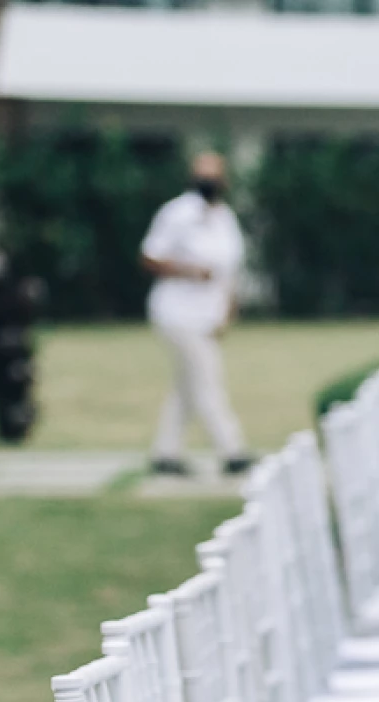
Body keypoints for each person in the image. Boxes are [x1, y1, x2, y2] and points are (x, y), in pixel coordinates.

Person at [140, 151, 251, 476]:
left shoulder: (225, 219)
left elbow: (230, 271)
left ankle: (165, 453)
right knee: (207, 380)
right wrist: (188, 270)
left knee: (187, 387)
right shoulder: (176, 213)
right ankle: (232, 450)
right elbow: (150, 257)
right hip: (177, 314)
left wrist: (227, 312)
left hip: (207, 317)